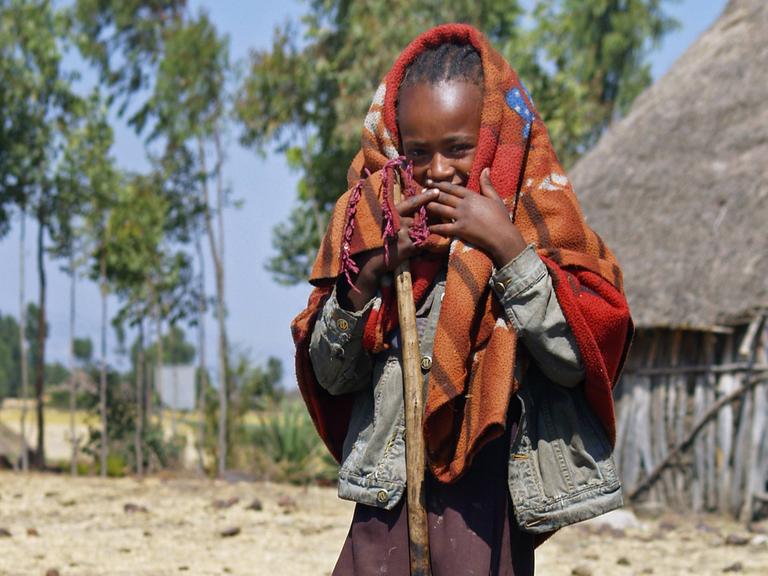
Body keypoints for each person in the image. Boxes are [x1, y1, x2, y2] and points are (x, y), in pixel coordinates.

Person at [291, 24, 633, 576]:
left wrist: (506, 250)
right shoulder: (374, 227)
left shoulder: (532, 227)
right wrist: (370, 273)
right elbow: (330, 377)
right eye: (418, 152)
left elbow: (580, 360)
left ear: (493, 143)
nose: (438, 171)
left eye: (458, 149)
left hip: (486, 510)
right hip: (385, 512)